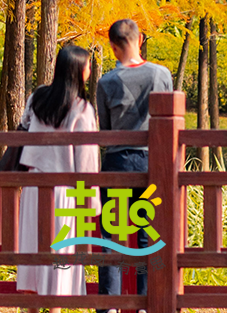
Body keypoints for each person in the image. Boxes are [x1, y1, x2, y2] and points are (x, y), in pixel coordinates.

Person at [96, 18, 173, 306]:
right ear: (140, 40)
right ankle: (146, 304)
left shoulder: (106, 82)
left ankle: (110, 306)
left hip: (117, 162)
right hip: (152, 163)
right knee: (147, 236)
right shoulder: (161, 74)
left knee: (111, 239)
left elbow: (105, 131)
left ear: (114, 48)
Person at [16, 43, 99, 309]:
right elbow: (86, 161)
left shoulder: (38, 97)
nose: (89, 69)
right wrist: (91, 204)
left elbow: (24, 125)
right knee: (61, 249)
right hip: (64, 191)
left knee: (32, 245)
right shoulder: (82, 109)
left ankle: (30, 306)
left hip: (33, 186)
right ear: (78, 70)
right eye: (87, 65)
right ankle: (55, 307)